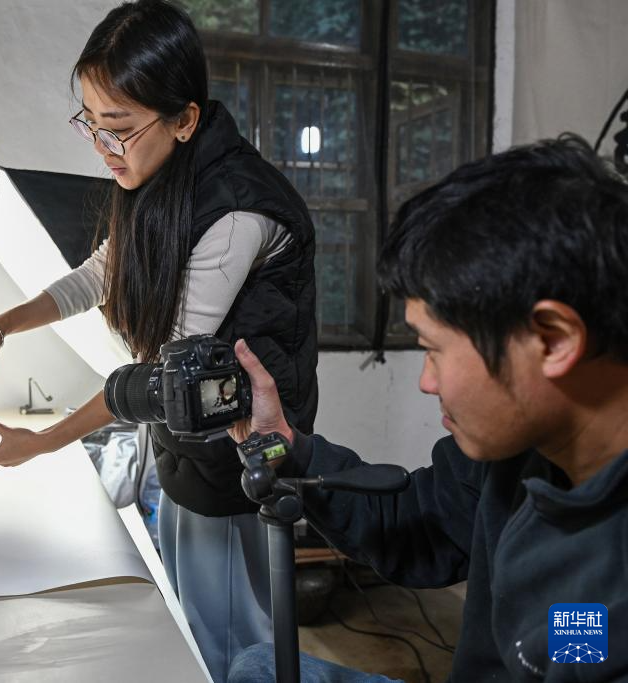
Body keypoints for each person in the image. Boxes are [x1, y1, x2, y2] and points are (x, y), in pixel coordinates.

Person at [0, 1, 318, 679]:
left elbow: (166, 374)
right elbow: (99, 274)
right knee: (196, 624)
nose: (102, 147)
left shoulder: (238, 209)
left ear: (184, 119)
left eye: (117, 129)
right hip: (187, 440)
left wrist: (42, 443)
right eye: (90, 123)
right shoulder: (158, 172)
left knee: (234, 648)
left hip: (238, 452)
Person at [225, 135, 628, 682]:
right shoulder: (520, 453)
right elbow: (415, 522)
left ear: (554, 340)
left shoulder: (611, 584)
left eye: (434, 349)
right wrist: (289, 448)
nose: (426, 381)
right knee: (258, 667)